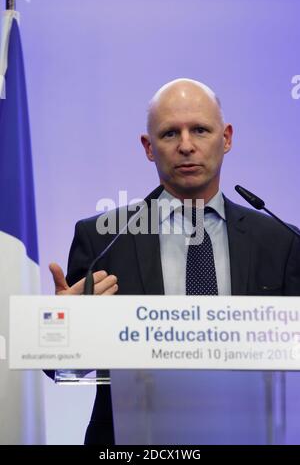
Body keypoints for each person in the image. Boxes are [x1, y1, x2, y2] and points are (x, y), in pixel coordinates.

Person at [48, 78, 300, 444]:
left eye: (199, 129)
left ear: (226, 138)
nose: (186, 145)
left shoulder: (282, 241)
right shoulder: (103, 238)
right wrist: (62, 331)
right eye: (169, 134)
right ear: (149, 148)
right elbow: (63, 366)